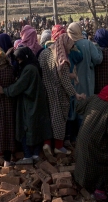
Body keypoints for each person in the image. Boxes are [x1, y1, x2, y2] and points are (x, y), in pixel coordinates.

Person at [0, 47, 53, 164]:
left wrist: (5, 91)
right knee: (37, 128)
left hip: (29, 103)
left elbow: (19, 86)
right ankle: (35, 154)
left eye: (19, 60)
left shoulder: (29, 69)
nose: (18, 62)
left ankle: (28, 156)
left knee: (23, 128)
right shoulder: (33, 66)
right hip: (36, 101)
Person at [74, 85, 108, 200]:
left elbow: (78, 109)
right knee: (106, 162)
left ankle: (91, 184)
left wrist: (82, 99)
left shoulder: (93, 98)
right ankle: (101, 188)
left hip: (82, 138)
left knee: (87, 161)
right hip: (96, 141)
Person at [39, 26, 80, 157]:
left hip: (45, 90)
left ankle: (46, 144)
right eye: (70, 44)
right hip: (58, 93)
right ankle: (58, 146)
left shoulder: (44, 53)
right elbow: (63, 79)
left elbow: (48, 72)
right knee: (58, 119)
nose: (71, 47)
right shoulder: (62, 58)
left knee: (47, 118)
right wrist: (75, 94)